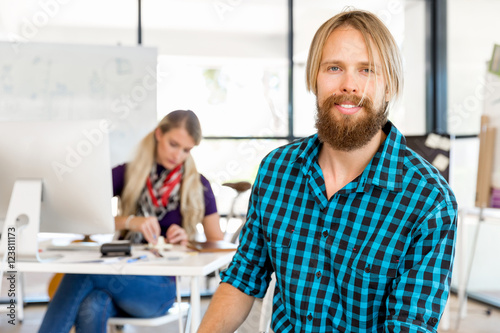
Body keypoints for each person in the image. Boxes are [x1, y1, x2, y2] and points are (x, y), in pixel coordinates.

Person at [199, 9, 457, 333]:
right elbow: (241, 280)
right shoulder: (277, 171)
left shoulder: (429, 201)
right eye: (334, 68)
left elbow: (409, 325)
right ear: (314, 79)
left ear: (389, 86)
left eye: (367, 70)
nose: (349, 85)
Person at [38, 110, 223, 333]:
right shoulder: (127, 172)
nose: (178, 155)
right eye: (174, 144)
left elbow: (217, 243)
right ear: (158, 134)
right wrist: (130, 222)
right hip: (120, 273)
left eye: (187, 150)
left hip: (158, 289)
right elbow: (85, 216)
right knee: (94, 304)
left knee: (86, 270)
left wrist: (188, 239)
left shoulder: (198, 184)